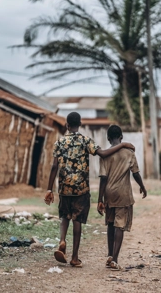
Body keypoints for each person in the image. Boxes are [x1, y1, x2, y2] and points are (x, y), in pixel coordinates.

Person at [44, 112, 135, 268]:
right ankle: (74, 257)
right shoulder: (85, 141)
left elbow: (54, 166)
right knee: (77, 220)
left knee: (65, 216)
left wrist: (49, 189)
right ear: (79, 124)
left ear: (67, 125)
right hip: (81, 188)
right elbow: (103, 153)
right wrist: (123, 145)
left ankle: (62, 240)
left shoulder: (59, 142)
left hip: (64, 187)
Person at [97, 124, 147, 271]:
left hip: (109, 193)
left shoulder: (105, 154)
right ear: (121, 137)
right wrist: (142, 186)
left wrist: (100, 199)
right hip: (123, 193)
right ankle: (115, 259)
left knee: (111, 223)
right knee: (120, 224)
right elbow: (135, 173)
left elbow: (103, 178)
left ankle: (110, 255)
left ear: (108, 138)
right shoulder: (129, 153)